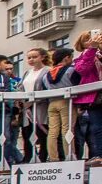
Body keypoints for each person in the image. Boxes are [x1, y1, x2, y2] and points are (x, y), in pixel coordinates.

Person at [41, 47, 81, 162]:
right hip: (67, 102)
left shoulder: (46, 75)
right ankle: (70, 156)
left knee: (53, 131)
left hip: (52, 103)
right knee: (67, 129)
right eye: (71, 58)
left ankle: (53, 157)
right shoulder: (71, 70)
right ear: (66, 58)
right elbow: (77, 84)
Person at [73, 30, 102, 158]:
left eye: (96, 37)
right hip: (95, 97)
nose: (92, 40)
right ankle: (100, 156)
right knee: (97, 128)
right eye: (87, 39)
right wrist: (93, 49)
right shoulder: (82, 57)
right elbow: (82, 70)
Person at [20, 48, 50, 163]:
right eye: (29, 58)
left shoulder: (47, 70)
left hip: (41, 106)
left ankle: (43, 157)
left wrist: (33, 100)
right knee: (27, 133)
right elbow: (20, 87)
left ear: (42, 57)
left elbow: (47, 88)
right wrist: (23, 100)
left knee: (42, 132)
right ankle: (28, 157)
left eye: (34, 57)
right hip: (26, 107)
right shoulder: (27, 72)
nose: (31, 60)